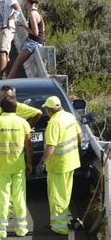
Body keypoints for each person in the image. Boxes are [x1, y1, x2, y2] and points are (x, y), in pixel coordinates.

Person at [0, 96, 33, 238]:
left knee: (2, 198)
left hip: (0, 166)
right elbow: (28, 145)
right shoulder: (23, 122)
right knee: (19, 197)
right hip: (18, 166)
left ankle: (1, 230)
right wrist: (29, 162)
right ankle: (22, 229)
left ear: (1, 108)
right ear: (16, 108)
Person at [36, 96, 82, 236]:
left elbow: (51, 146)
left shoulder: (54, 123)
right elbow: (80, 137)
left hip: (58, 165)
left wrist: (42, 163)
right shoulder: (69, 116)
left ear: (49, 110)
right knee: (65, 194)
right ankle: (61, 223)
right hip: (72, 161)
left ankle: (59, 227)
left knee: (56, 196)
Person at [8, 0, 45, 79]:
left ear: (27, 0)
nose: (23, 1)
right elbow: (42, 29)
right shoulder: (35, 11)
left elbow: (35, 32)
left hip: (33, 42)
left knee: (17, 63)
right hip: (34, 40)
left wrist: (22, 25)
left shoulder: (32, 13)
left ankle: (7, 84)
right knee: (17, 63)